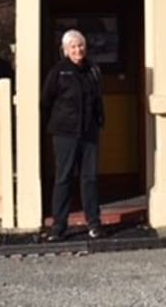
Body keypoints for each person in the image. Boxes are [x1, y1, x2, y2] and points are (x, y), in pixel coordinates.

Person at [41, 29, 105, 241]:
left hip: (89, 133)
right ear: (65, 50)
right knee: (64, 178)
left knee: (90, 178)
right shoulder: (58, 72)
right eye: (73, 47)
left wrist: (98, 122)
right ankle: (59, 226)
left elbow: (97, 99)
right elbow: (46, 101)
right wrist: (52, 125)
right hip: (65, 134)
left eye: (80, 46)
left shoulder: (92, 69)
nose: (78, 50)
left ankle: (94, 223)